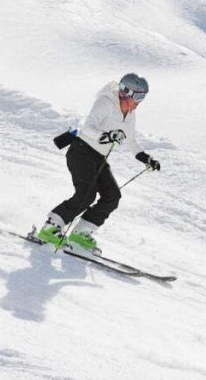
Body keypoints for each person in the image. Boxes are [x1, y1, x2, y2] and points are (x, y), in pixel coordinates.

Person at [37, 73, 160, 252]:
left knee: (112, 196)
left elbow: (131, 141)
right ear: (126, 92)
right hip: (81, 151)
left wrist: (145, 158)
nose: (140, 101)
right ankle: (50, 227)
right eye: (139, 96)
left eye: (143, 97)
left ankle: (81, 232)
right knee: (86, 194)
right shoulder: (106, 102)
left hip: (98, 157)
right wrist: (106, 136)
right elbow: (88, 127)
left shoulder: (130, 114)